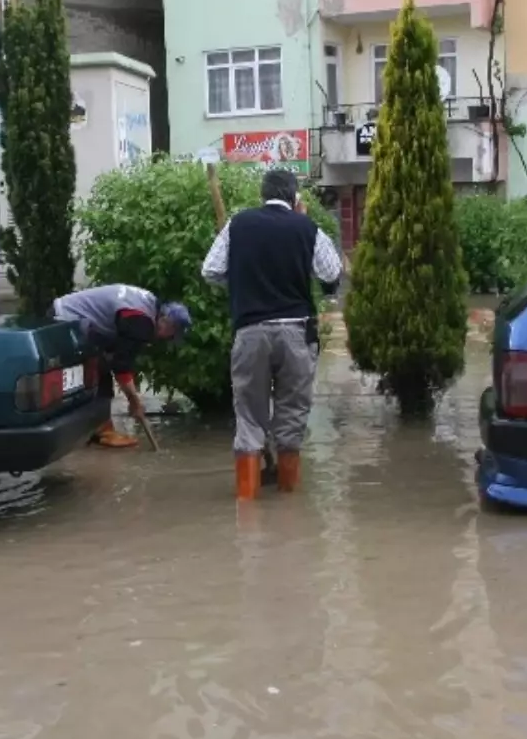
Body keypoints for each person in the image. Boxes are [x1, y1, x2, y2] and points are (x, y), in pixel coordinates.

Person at [201, 169, 342, 500]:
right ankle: (288, 496)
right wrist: (301, 223)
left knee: (249, 416)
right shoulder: (306, 227)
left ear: (262, 195)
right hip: (296, 332)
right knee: (292, 416)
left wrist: (240, 282)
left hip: (250, 332)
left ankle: (247, 507)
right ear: (295, 198)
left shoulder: (239, 224)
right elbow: (332, 273)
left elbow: (210, 270)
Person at [51, 285, 192, 448]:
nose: (169, 339)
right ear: (167, 323)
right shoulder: (141, 322)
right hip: (66, 318)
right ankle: (100, 430)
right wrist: (134, 401)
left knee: (100, 364)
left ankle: (95, 428)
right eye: (173, 335)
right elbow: (121, 366)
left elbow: (117, 350)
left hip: (69, 314)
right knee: (98, 366)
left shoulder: (149, 307)